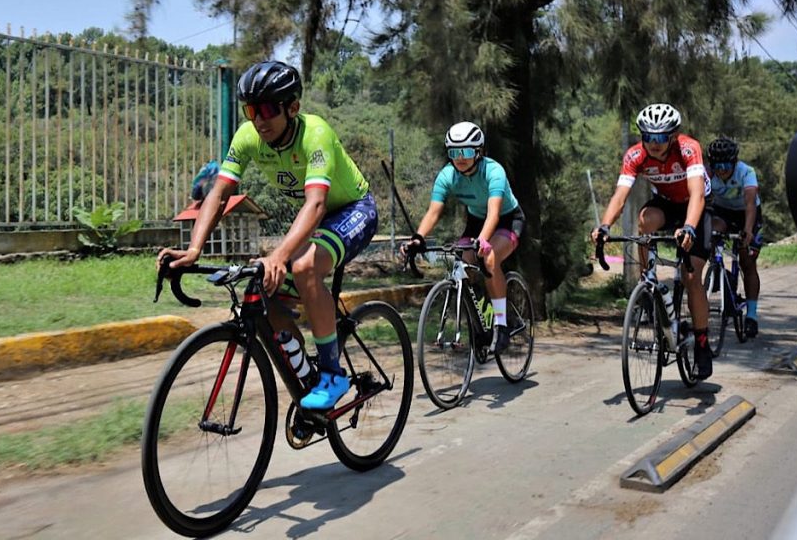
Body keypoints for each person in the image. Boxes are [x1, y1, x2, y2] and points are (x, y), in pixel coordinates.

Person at [157, 60, 377, 410]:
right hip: (315, 219)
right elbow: (218, 193)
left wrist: (278, 255)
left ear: (292, 108)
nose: (258, 120)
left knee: (303, 268)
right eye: (250, 110)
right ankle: (306, 378)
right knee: (264, 289)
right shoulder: (248, 137)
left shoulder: (315, 134)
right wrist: (194, 248)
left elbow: (317, 204)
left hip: (352, 210)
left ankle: (333, 375)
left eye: (267, 109)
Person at [590, 103, 715, 379]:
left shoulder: (687, 148)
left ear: (672, 136)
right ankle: (648, 282)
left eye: (660, 138)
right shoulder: (635, 155)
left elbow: (697, 195)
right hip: (667, 203)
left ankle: (703, 344)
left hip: (696, 207)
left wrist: (690, 228)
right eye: (648, 137)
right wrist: (604, 225)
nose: (654, 144)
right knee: (645, 220)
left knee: (691, 277)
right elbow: (621, 195)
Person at [401, 121, 526, 354]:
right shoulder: (447, 175)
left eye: (466, 152)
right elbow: (434, 211)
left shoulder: (494, 171)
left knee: (489, 258)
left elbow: (494, 213)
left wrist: (483, 241)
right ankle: (482, 313)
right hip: (476, 221)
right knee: (459, 263)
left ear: (478, 152)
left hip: (506, 219)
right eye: (454, 152)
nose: (460, 158)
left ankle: (501, 324)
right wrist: (418, 237)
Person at [706, 137, 762, 338]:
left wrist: (748, 230)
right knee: (711, 231)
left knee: (747, 262)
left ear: (734, 162)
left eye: (726, 165)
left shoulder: (746, 172)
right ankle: (716, 268)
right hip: (724, 212)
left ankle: (752, 316)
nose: (721, 170)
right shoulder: (708, 173)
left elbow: (749, 203)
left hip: (747, 213)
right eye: (716, 165)